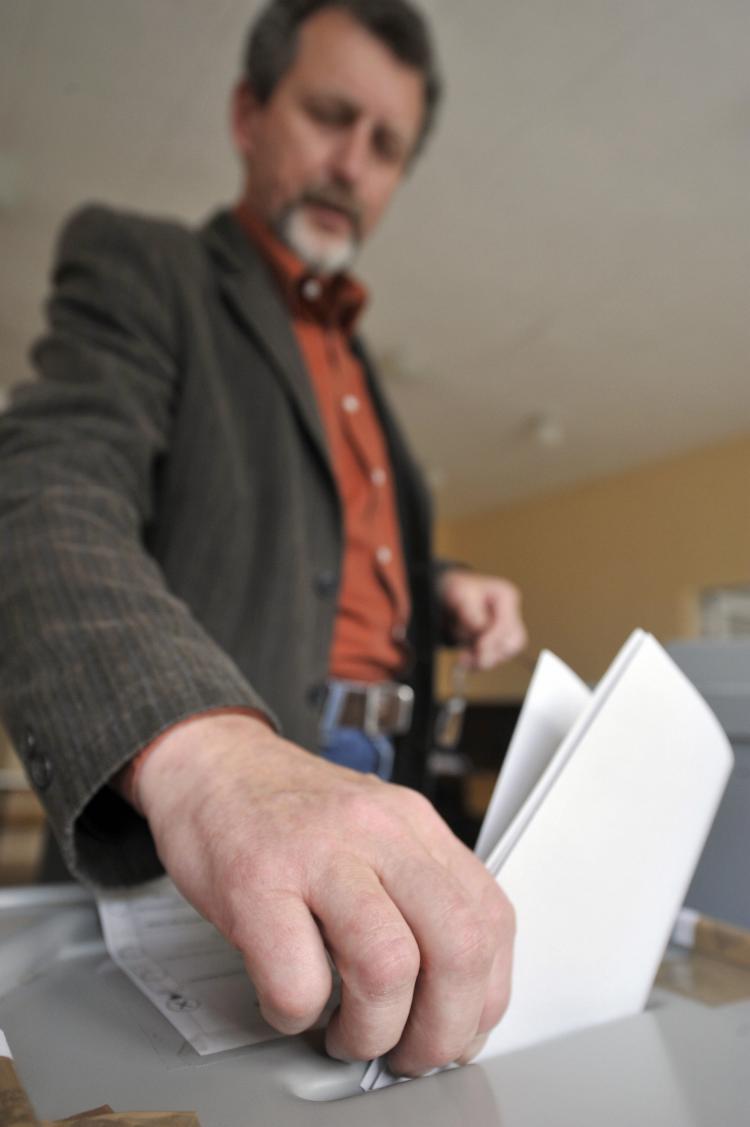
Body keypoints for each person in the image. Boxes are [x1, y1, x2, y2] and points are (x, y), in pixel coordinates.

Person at [0, 0, 526, 1077]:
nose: (352, 162)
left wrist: (445, 579)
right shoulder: (146, 268)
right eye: (332, 116)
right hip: (210, 839)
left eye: (387, 146)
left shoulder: (364, 374)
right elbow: (46, 486)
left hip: (383, 794)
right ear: (249, 112)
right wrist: (214, 753)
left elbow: (325, 545)